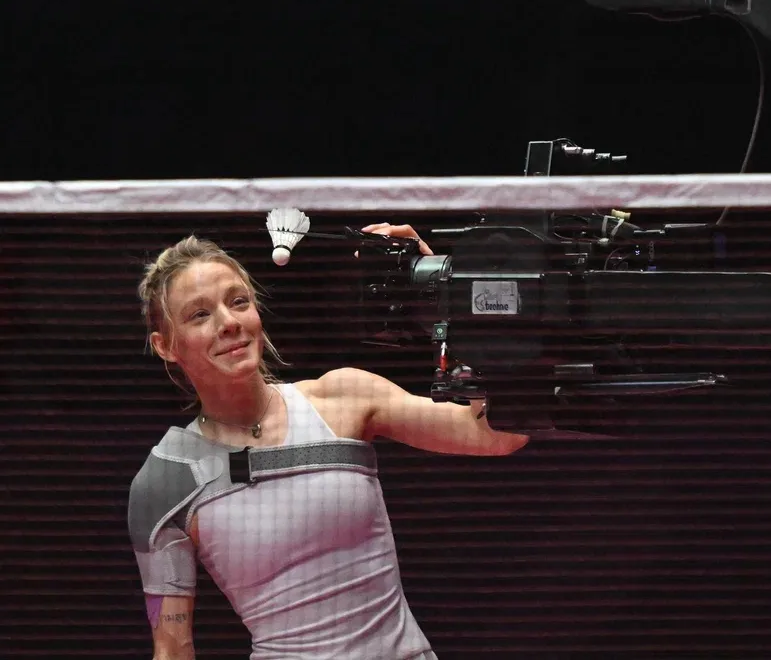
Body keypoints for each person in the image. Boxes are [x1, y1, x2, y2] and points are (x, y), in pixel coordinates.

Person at [129, 226, 528, 660]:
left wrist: (449, 301)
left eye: (238, 301)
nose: (229, 323)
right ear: (165, 346)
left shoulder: (342, 398)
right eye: (199, 315)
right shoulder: (167, 477)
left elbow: (495, 433)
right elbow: (172, 648)